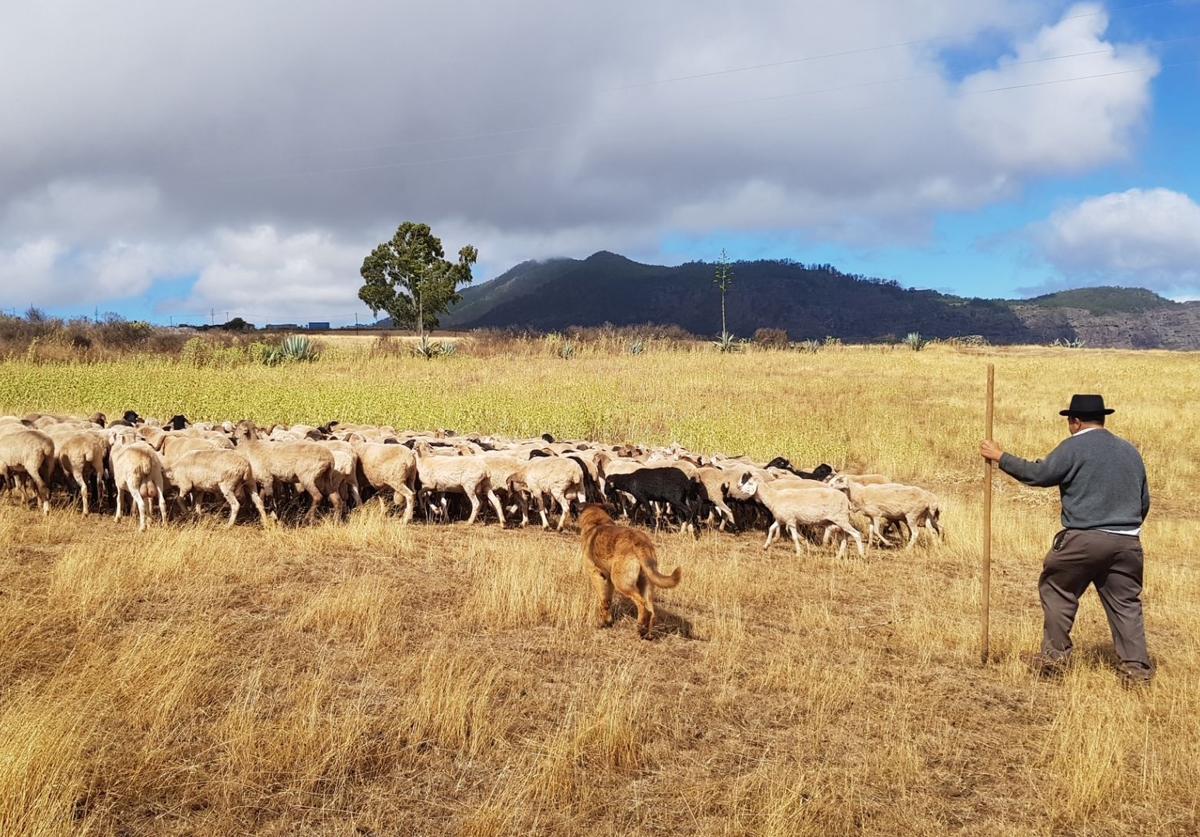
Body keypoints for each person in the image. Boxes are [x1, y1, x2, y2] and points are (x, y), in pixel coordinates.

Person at [980, 394, 1152, 684]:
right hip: (1127, 541)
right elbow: (1143, 501)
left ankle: (1054, 660)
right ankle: (1137, 671)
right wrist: (1122, 530)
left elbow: (1040, 474)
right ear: (1102, 419)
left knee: (1058, 590)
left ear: (1075, 421)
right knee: (1126, 605)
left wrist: (1000, 458)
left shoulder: (1074, 447)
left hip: (1082, 538)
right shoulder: (1129, 451)